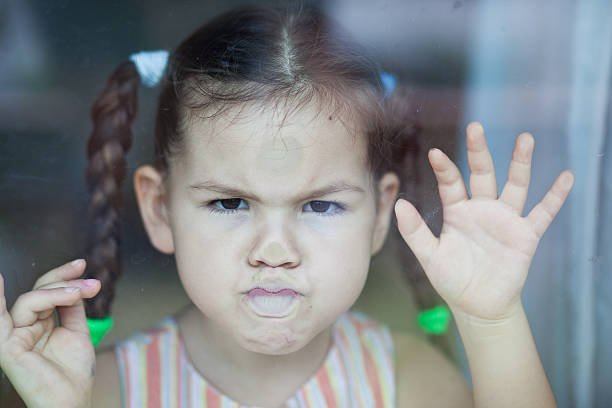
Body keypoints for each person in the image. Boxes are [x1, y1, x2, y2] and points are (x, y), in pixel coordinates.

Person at [0, 4, 574, 408]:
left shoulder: (409, 383)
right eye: (230, 203)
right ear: (159, 209)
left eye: (321, 207)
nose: (275, 251)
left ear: (380, 216)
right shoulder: (104, 393)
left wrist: (493, 322)